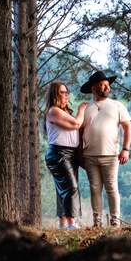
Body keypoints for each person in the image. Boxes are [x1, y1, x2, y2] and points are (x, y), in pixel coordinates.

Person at [79, 70, 131, 227]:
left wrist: (125, 149)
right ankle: (97, 222)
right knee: (95, 189)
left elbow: (127, 127)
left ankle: (115, 221)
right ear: (93, 89)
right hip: (89, 155)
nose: (107, 88)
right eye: (103, 85)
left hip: (111, 156)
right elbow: (79, 131)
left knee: (112, 188)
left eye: (108, 85)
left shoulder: (117, 105)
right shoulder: (85, 107)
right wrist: (79, 154)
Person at [43, 81, 86, 230]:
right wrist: (81, 110)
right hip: (59, 153)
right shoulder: (54, 110)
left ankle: (63, 224)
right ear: (55, 94)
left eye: (67, 91)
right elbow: (76, 124)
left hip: (70, 154)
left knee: (64, 188)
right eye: (63, 92)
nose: (66, 94)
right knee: (71, 187)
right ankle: (71, 224)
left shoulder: (64, 112)